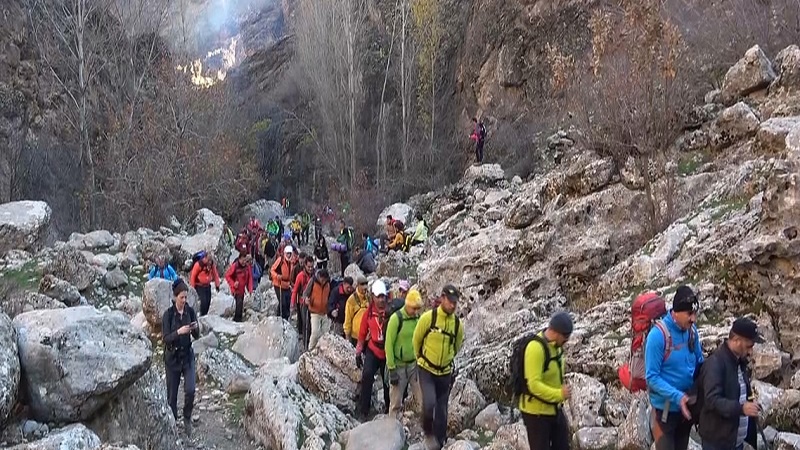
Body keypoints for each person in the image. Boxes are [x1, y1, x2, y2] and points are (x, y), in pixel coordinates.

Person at [646, 286, 704, 450]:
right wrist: (678, 397)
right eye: (689, 314)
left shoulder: (692, 332)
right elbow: (652, 377)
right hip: (665, 413)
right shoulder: (658, 336)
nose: (693, 319)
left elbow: (700, 362)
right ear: (676, 312)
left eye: (695, 313)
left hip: (686, 410)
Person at [697, 318, 763, 450]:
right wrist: (741, 409)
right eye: (749, 346)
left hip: (735, 442)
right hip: (717, 443)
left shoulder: (739, 362)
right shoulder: (715, 363)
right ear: (737, 340)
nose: (750, 351)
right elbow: (712, 400)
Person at [413, 285, 465, 450]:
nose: (452, 305)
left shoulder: (457, 325)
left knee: (442, 409)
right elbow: (417, 339)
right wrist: (419, 357)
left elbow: (456, 346)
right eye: (450, 301)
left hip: (444, 372)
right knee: (429, 403)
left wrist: (447, 360)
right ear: (442, 298)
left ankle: (440, 442)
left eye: (455, 302)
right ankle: (428, 433)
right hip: (426, 369)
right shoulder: (428, 318)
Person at [518, 312, 573, 450]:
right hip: (536, 414)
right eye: (565, 336)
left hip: (555, 410)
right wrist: (559, 394)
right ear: (555, 332)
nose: (567, 340)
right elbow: (533, 385)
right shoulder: (535, 348)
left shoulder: (557, 347)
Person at [162, 279, 200, 439]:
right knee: (172, 395)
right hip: (172, 358)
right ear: (175, 297)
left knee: (190, 389)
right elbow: (165, 338)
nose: (184, 301)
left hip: (187, 355)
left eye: (186, 297)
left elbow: (196, 335)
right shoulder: (168, 315)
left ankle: (186, 418)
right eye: (182, 298)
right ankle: (172, 423)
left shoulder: (190, 311)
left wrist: (196, 328)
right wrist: (179, 332)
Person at [355, 280, 391, 419]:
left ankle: (389, 409)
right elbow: (362, 334)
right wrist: (358, 352)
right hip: (373, 349)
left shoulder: (391, 311)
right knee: (367, 376)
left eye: (383, 296)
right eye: (378, 297)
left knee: (387, 381)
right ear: (373, 297)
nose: (381, 299)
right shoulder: (368, 314)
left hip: (387, 351)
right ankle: (364, 410)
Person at [386, 288, 423, 418]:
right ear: (407, 305)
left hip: (414, 365)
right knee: (395, 402)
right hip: (399, 366)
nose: (416, 311)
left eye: (417, 308)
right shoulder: (396, 319)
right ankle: (391, 428)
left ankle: (427, 429)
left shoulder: (417, 319)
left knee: (422, 399)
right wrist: (391, 369)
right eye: (414, 308)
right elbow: (389, 344)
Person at [302, 268, 331, 351]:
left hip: (324, 312)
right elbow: (305, 293)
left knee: (325, 333)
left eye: (324, 280)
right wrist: (306, 299)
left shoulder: (328, 283)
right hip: (314, 311)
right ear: (319, 277)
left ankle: (322, 349)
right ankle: (310, 349)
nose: (323, 282)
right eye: (322, 280)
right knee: (315, 332)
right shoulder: (313, 281)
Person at [292, 255, 315, 348]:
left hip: (313, 302)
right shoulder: (300, 276)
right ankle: (306, 344)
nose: (310, 268)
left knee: (312, 324)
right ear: (305, 266)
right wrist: (292, 304)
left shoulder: (315, 275)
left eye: (312, 266)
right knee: (306, 324)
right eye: (308, 266)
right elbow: (295, 291)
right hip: (303, 303)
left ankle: (311, 343)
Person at [189, 251, 220, 316]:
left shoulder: (211, 265)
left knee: (208, 301)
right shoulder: (198, 265)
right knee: (203, 301)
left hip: (207, 286)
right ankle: (202, 315)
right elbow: (193, 276)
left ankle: (205, 314)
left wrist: (217, 285)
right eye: (208, 260)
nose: (209, 262)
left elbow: (215, 274)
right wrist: (192, 288)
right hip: (199, 286)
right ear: (205, 258)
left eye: (210, 260)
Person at [224, 252, 254, 322]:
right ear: (239, 259)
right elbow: (227, 275)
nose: (244, 262)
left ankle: (238, 318)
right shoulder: (235, 266)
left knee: (240, 303)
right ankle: (237, 319)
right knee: (239, 303)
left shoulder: (247, 266)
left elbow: (250, 278)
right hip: (236, 288)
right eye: (242, 260)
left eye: (245, 260)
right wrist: (233, 284)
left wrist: (250, 289)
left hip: (242, 289)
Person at [344, 275, 371, 346]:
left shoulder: (369, 297)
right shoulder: (351, 300)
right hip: (355, 337)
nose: (365, 287)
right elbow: (348, 320)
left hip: (368, 336)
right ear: (357, 285)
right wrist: (347, 338)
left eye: (366, 284)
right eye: (362, 284)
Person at [271, 246, 296, 320]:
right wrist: (277, 276)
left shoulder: (291, 262)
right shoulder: (280, 260)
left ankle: (284, 317)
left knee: (288, 302)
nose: (288, 255)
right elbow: (272, 270)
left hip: (287, 285)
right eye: (287, 254)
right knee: (282, 302)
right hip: (278, 284)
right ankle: (281, 317)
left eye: (290, 254)